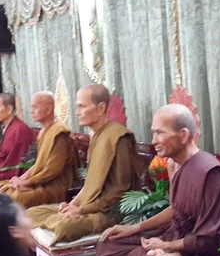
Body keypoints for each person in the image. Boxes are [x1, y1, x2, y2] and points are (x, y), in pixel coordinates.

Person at [87, 104, 220, 256]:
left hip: (202, 253)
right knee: (107, 243)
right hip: (172, 236)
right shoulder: (173, 163)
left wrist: (171, 249)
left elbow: (211, 239)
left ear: (183, 135)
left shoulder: (210, 172)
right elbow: (175, 208)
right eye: (153, 133)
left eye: (159, 133)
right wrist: (134, 228)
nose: (153, 141)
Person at [27, 84, 139, 245]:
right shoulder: (95, 135)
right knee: (32, 213)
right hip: (87, 206)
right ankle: (57, 219)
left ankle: (58, 223)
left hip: (108, 212)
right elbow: (90, 184)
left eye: (82, 106)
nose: (77, 112)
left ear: (101, 108)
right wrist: (70, 206)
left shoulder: (119, 137)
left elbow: (119, 191)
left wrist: (81, 210)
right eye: (77, 106)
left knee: (66, 227)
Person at [0, 91, 80, 208]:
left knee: (16, 197)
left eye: (35, 107)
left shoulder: (60, 133)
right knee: (2, 186)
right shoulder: (43, 132)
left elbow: (53, 170)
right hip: (40, 182)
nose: (31, 111)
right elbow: (39, 164)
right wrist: (21, 178)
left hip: (56, 186)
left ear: (48, 109)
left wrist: (28, 183)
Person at [0, 93, 36, 181]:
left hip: (16, 176)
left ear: (9, 109)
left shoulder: (19, 129)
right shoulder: (7, 128)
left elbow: (18, 163)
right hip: (2, 170)